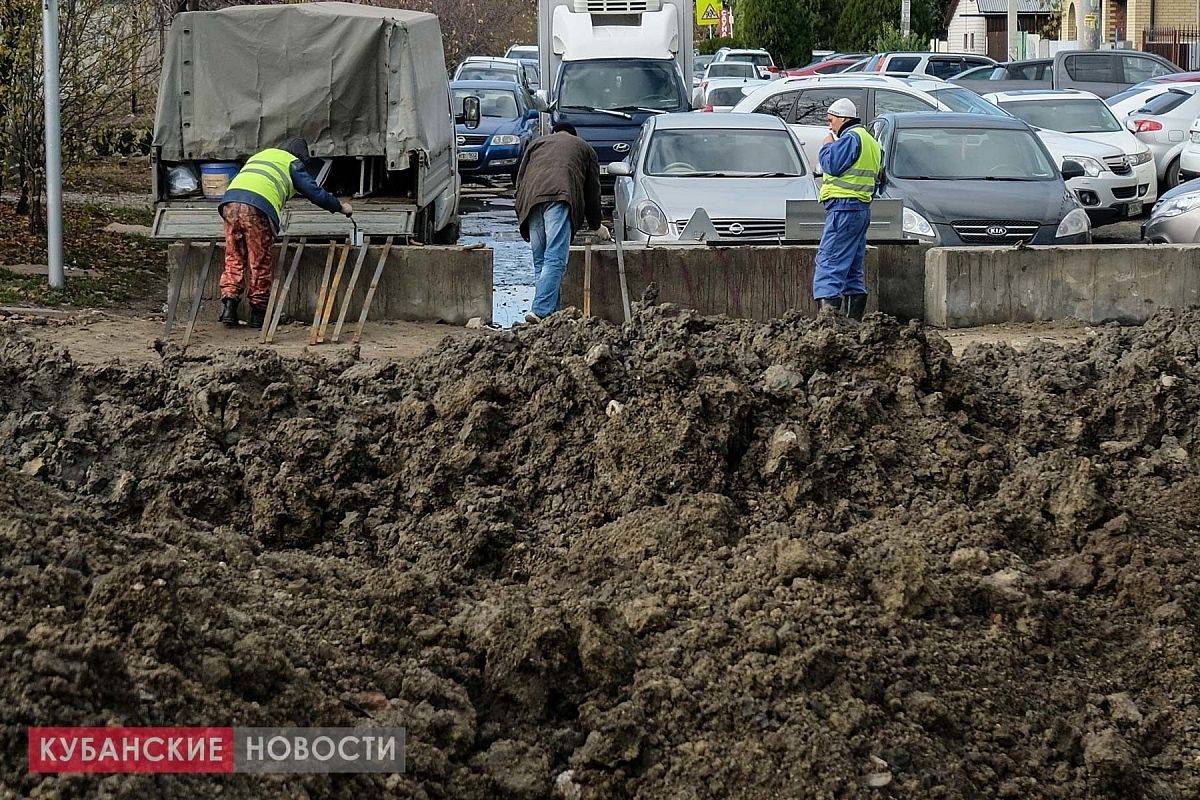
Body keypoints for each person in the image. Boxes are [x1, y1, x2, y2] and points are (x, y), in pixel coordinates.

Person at [217, 137, 352, 329]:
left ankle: (229, 307)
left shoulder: (261, 156)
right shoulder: (291, 163)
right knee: (259, 261)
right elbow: (314, 192)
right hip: (257, 208)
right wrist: (340, 207)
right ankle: (258, 313)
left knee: (234, 256)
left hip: (229, 203)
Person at [514, 122, 609, 324]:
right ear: (573, 134)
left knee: (541, 260)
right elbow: (593, 191)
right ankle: (540, 310)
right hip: (559, 197)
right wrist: (596, 225)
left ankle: (551, 316)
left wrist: (520, 210)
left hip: (531, 201)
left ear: (554, 132)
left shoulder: (537, 144)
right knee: (555, 258)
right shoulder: (583, 147)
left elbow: (520, 180)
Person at [814, 98, 881, 321]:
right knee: (852, 266)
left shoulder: (851, 138)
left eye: (831, 120)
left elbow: (831, 165)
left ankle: (828, 322)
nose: (830, 126)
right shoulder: (869, 140)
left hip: (844, 209)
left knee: (829, 262)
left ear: (843, 119)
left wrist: (826, 146)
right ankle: (854, 323)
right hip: (860, 209)